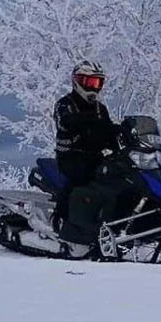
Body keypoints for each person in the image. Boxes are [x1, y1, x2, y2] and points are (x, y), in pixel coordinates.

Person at [52, 60, 119, 241]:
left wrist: (121, 134)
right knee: (82, 178)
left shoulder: (100, 109)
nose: (93, 88)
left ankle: (111, 221)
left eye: (97, 83)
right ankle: (62, 220)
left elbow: (108, 128)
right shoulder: (65, 105)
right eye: (89, 82)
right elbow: (65, 123)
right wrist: (85, 122)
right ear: (77, 81)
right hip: (70, 156)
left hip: (95, 156)